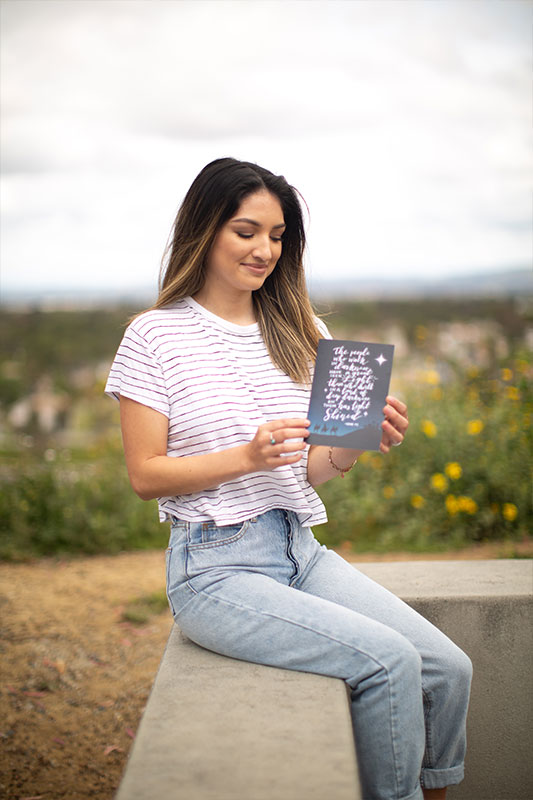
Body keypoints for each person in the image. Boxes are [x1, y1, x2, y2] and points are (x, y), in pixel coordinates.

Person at [105, 157, 472, 800]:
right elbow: (145, 475)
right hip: (214, 568)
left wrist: (355, 445)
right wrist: (246, 456)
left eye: (277, 236)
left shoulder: (304, 333)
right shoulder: (153, 336)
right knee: (390, 664)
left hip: (298, 549)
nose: (265, 250)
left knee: (448, 669)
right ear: (206, 229)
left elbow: (309, 471)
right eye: (247, 231)